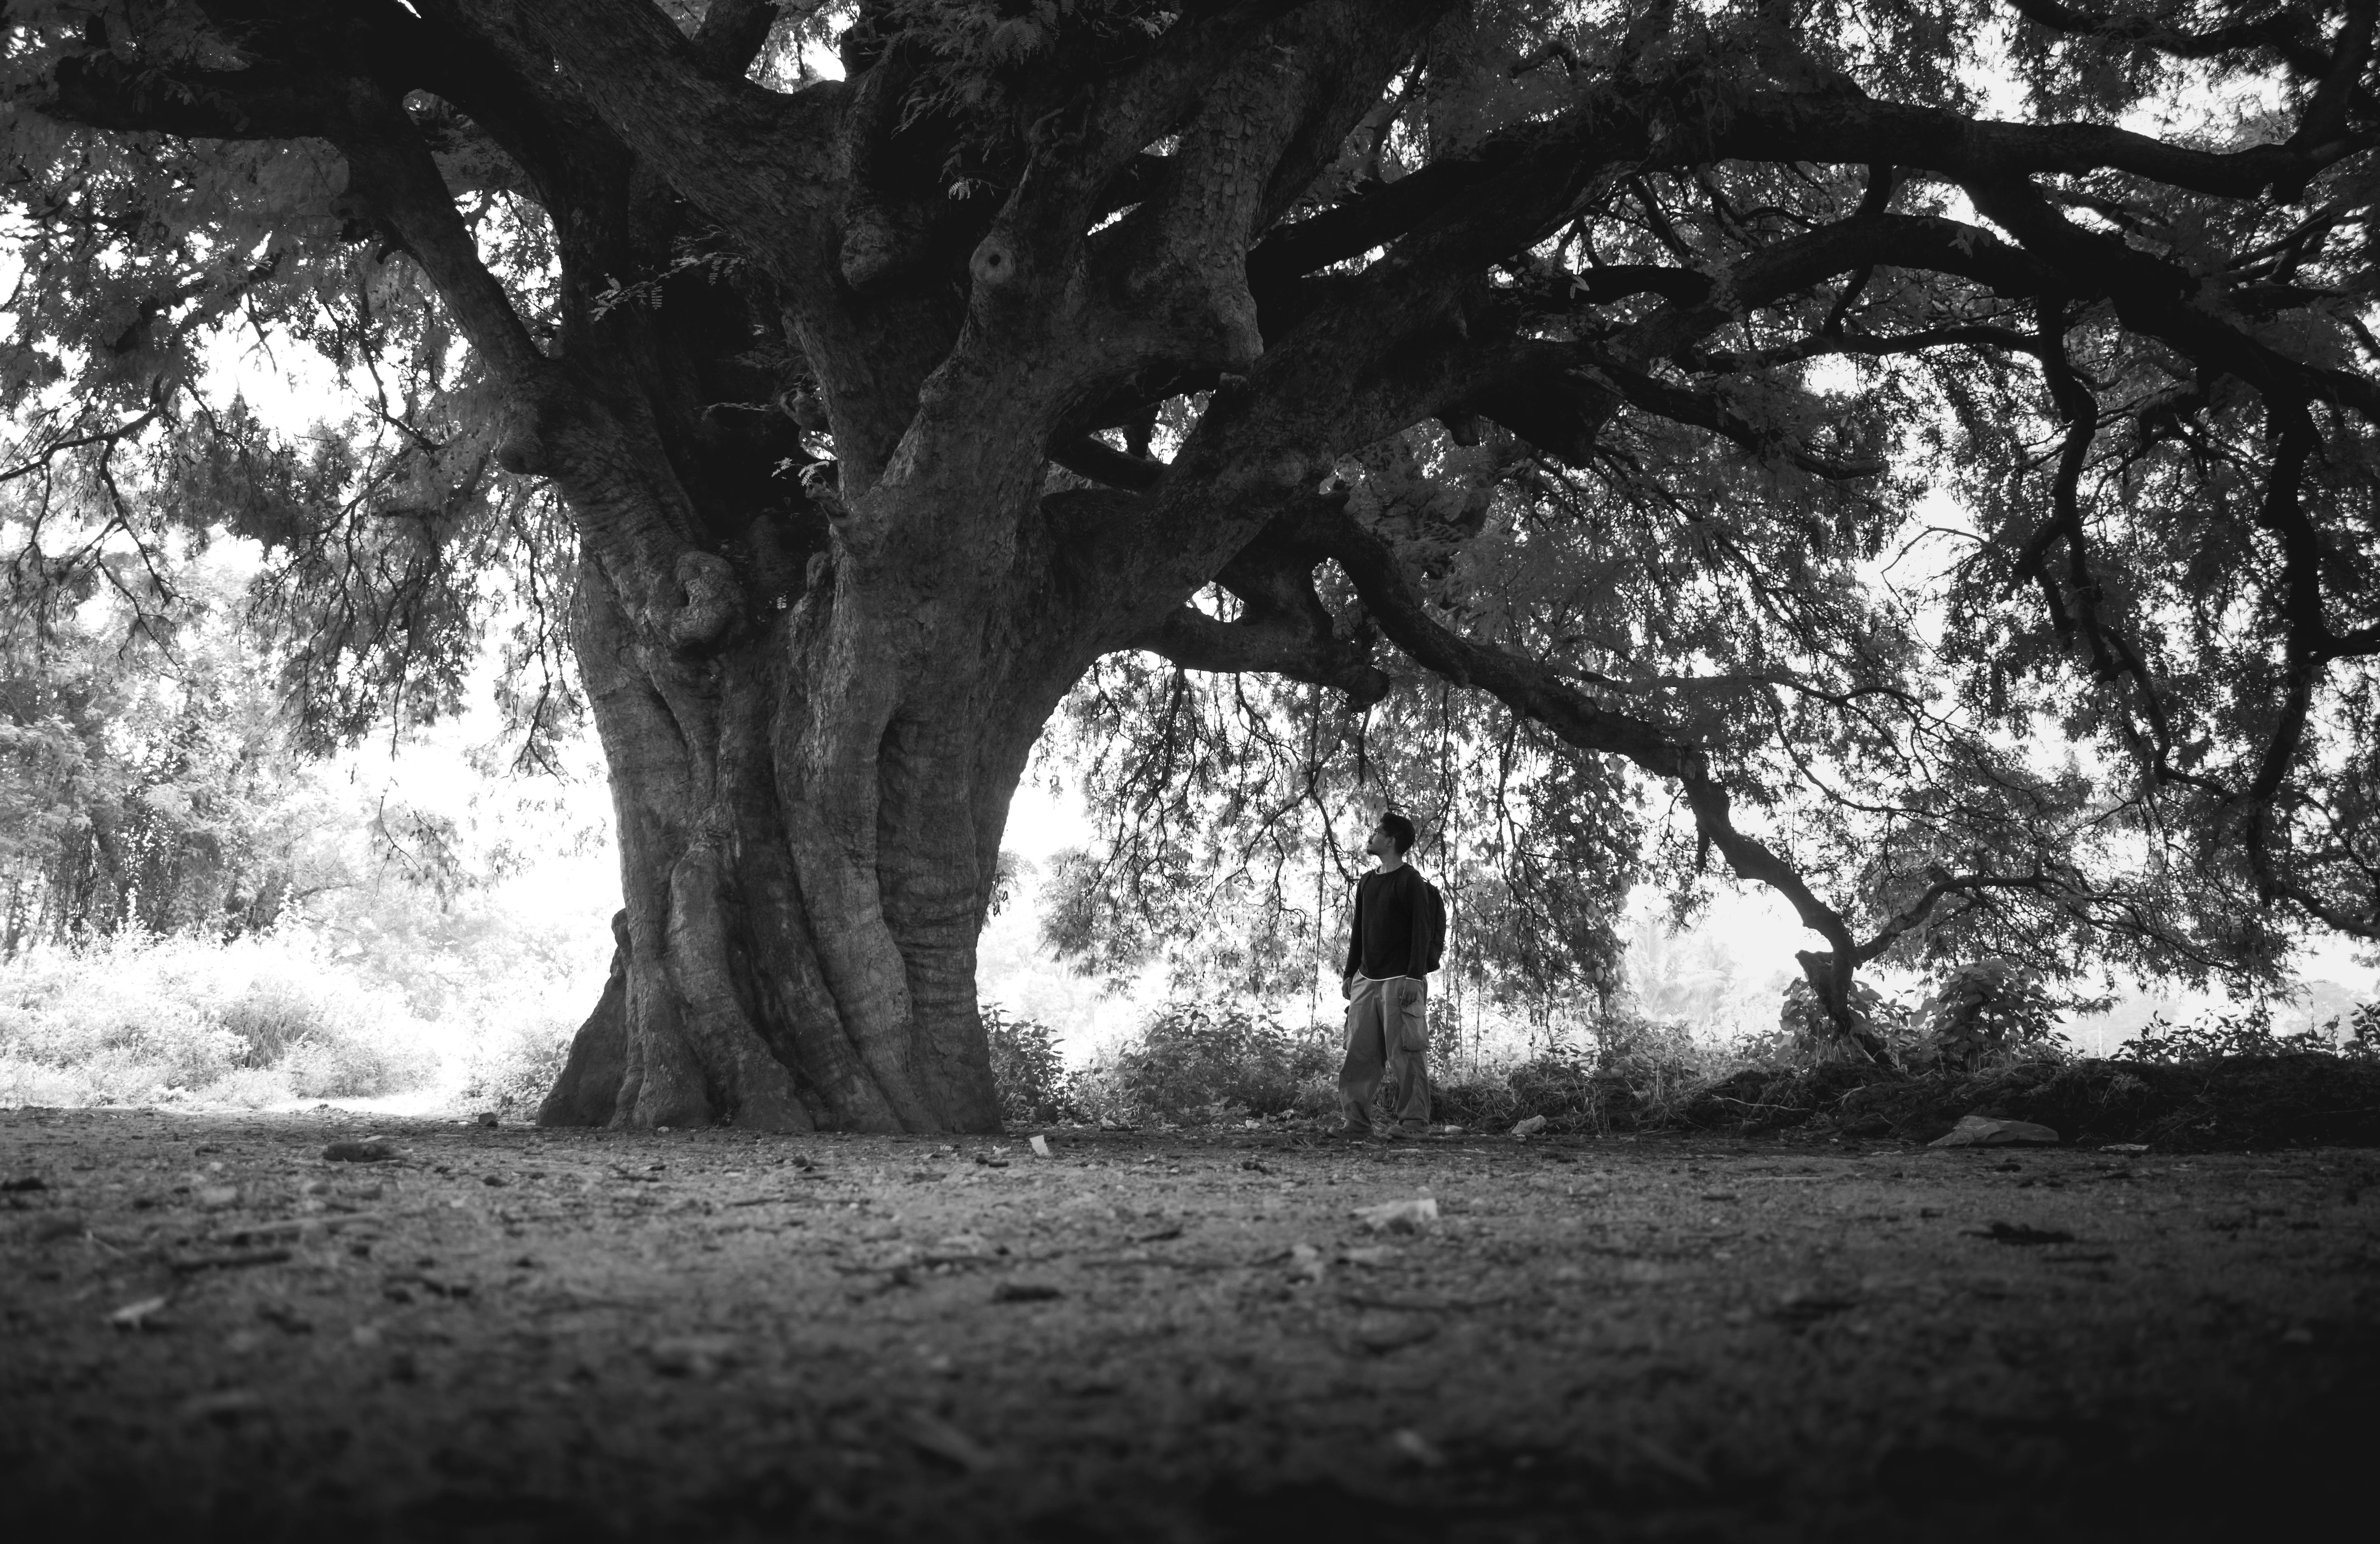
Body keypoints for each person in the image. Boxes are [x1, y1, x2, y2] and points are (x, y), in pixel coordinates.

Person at [1336, 810, 1434, 1138]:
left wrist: (1414, 976)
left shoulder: (1411, 881)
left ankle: (1414, 1124)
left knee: (1405, 1053)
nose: (1371, 835)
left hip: (1401, 979)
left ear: (1391, 840)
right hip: (1367, 978)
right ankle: (1357, 1124)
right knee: (1359, 1054)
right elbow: (1358, 932)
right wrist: (1351, 973)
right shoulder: (1367, 881)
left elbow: (1422, 931)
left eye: (1377, 831)